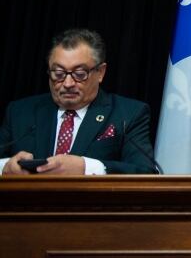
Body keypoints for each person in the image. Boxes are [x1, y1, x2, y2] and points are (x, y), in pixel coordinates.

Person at [0, 28, 156, 175]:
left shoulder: (128, 114)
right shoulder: (19, 112)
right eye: (58, 73)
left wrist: (86, 167)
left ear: (100, 72)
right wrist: (5, 166)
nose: (68, 83)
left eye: (80, 74)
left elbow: (145, 171)